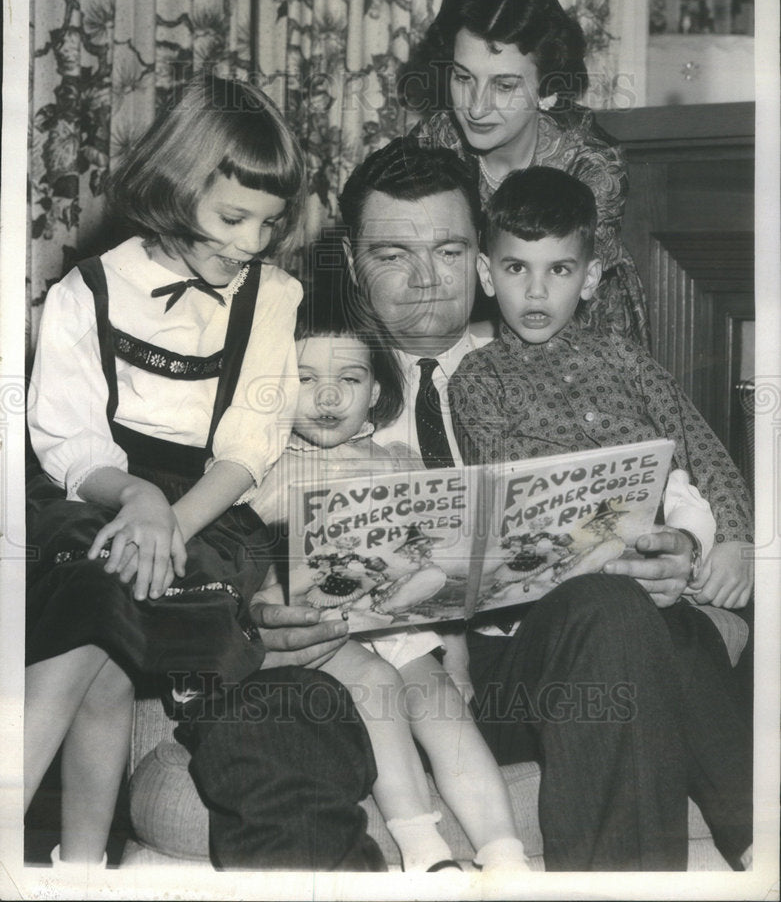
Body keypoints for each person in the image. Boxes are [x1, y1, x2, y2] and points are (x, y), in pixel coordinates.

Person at [336, 136, 752, 871]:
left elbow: (679, 458)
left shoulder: (568, 366)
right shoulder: (320, 386)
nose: (426, 280)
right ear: (350, 261)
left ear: (477, 256)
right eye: (394, 254)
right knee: (617, 612)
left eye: (448, 251)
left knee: (627, 611)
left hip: (576, 642)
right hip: (433, 684)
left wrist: (685, 550)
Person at [25, 73, 383, 872]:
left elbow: (249, 445)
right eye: (231, 218)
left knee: (106, 631)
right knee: (93, 609)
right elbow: (68, 436)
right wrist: (138, 501)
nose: (252, 242)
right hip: (95, 490)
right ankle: (77, 867)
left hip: (208, 509)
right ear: (176, 188)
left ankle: (77, 868)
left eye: (270, 222)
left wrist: (170, 522)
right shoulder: (87, 290)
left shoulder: (274, 296)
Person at [447, 165, 754, 870]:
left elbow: (700, 449)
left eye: (558, 270)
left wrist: (732, 538)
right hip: (535, 636)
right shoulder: (478, 381)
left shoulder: (625, 360)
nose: (535, 291)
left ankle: (753, 841)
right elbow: (519, 517)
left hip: (646, 596)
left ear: (589, 280)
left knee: (677, 634)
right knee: (631, 613)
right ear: (487, 274)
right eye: (516, 269)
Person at [251, 283, 530, 873]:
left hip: (396, 620)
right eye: (305, 378)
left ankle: (505, 853)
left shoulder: (399, 463)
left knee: (441, 704)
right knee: (377, 684)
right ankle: (425, 852)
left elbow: (440, 574)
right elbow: (246, 574)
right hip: (319, 632)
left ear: (375, 391)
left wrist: (458, 658)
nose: (329, 396)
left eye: (349, 379)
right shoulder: (261, 470)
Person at [397, 0, 649, 347]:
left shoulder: (594, 166)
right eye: (463, 78)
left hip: (579, 334)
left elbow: (557, 304)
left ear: (547, 90)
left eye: (504, 86)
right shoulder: (430, 146)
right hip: (457, 326)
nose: (476, 107)